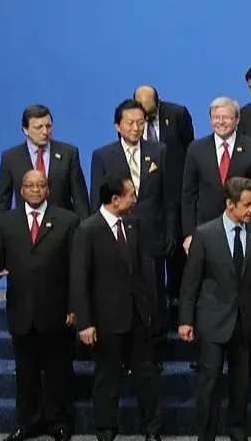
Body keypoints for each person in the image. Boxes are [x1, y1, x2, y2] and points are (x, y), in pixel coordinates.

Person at [0, 169, 80, 441]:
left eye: (41, 185)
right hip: (22, 309)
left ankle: (57, 421)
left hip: (58, 310)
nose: (36, 190)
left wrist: (75, 307)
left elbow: (76, 268)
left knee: (58, 370)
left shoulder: (67, 221)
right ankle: (27, 422)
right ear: (21, 191)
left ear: (48, 189)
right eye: (30, 185)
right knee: (25, 372)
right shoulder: (6, 222)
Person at [178, 177, 251, 441]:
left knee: (241, 384)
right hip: (212, 322)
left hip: (245, 323)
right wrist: (185, 320)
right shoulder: (205, 234)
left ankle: (237, 431)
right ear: (230, 205)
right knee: (209, 385)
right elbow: (191, 281)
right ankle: (206, 435)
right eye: (247, 205)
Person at [70, 174, 163, 441]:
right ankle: (106, 430)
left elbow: (140, 274)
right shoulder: (87, 230)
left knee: (147, 376)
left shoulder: (132, 225)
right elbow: (80, 280)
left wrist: (148, 313)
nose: (135, 199)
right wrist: (85, 323)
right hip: (105, 320)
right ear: (115, 199)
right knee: (106, 379)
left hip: (136, 317)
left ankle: (153, 428)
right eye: (131, 194)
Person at [90, 99, 175, 368]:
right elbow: (97, 201)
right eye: (130, 122)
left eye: (141, 122)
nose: (136, 128)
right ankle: (124, 357)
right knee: (121, 297)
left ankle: (153, 354)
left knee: (152, 295)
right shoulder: (103, 155)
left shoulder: (159, 151)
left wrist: (170, 233)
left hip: (151, 237)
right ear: (118, 125)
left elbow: (168, 199)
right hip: (117, 238)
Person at [134, 85, 195, 307]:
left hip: (175, 194)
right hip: (149, 197)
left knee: (177, 252)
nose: (143, 119)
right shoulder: (130, 119)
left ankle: (178, 301)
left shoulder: (177, 114)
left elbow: (190, 150)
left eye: (149, 114)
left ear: (158, 104)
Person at [181, 97, 251, 251]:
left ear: (237, 119)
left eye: (226, 117)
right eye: (216, 117)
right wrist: (189, 233)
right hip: (205, 229)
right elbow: (188, 195)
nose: (220, 122)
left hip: (243, 227)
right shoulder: (196, 149)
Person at [0, 104, 89, 218]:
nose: (45, 132)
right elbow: (2, 202)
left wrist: (83, 232)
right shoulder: (11, 158)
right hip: (26, 230)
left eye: (48, 126)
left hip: (63, 229)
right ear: (25, 130)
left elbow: (80, 200)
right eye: (39, 127)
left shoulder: (68, 153)